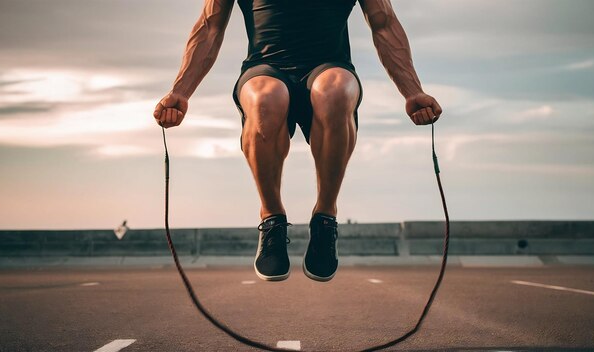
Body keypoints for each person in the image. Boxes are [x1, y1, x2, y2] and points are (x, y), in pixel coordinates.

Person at [153, 0, 443, 282]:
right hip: (265, 68)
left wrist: (412, 92)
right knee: (266, 97)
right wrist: (181, 91)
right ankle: (272, 220)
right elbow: (210, 25)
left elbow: (384, 23)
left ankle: (325, 219)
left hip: (330, 67)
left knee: (336, 91)